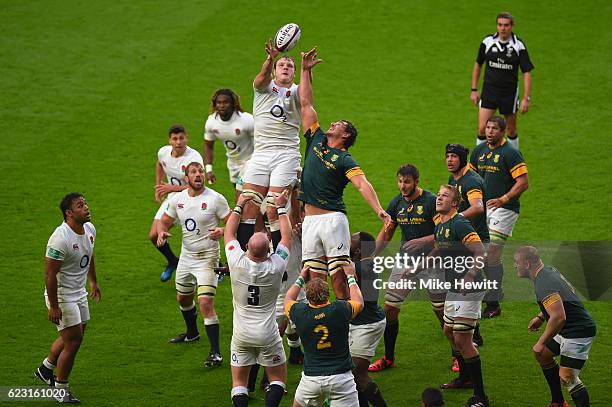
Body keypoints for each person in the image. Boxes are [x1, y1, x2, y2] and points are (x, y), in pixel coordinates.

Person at [298, 47, 391, 301]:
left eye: (338, 124)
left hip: (332, 220)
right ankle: (321, 323)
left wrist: (379, 210)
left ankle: (345, 325)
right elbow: (305, 103)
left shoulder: (344, 159)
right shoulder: (315, 139)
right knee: (314, 279)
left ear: (346, 135)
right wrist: (305, 71)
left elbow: (362, 184)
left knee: (338, 277)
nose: (332, 123)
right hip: (310, 221)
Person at [156, 162, 230, 367]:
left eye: (201, 172)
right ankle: (192, 333)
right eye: (194, 172)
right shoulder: (178, 199)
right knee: (183, 298)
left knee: (206, 303)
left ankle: (215, 353)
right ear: (186, 178)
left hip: (208, 258)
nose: (199, 175)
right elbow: (164, 220)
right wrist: (162, 231)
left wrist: (222, 231)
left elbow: (232, 220)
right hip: (186, 258)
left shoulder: (215, 199)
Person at [223, 190, 292, 407]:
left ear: (246, 248)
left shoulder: (236, 261)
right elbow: (287, 237)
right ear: (268, 251)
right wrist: (281, 207)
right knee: (278, 379)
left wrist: (239, 205)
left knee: (239, 383)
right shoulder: (276, 265)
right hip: (267, 333)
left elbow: (229, 233)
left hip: (241, 334)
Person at [369, 164, 440, 372]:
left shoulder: (431, 202)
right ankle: (388, 358)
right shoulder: (397, 203)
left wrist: (422, 241)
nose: (403, 186)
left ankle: (459, 355)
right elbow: (387, 231)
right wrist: (371, 255)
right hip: (405, 262)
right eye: (400, 181)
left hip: (432, 262)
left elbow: (446, 234)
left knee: (441, 311)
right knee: (390, 309)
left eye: (407, 182)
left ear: (417, 181)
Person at [34, 193, 101, 404]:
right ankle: (60, 387)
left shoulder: (90, 229)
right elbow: (49, 274)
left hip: (78, 291)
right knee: (74, 340)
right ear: (69, 213)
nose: (87, 207)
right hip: (62, 295)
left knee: (75, 334)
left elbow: (89, 255)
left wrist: (93, 282)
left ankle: (46, 368)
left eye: (85, 203)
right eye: (81, 206)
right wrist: (53, 306)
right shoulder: (60, 238)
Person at [238, 39, 302, 253]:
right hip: (261, 154)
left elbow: (307, 99)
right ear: (274, 71)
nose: (285, 67)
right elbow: (260, 78)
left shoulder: (297, 91)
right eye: (281, 65)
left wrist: (308, 71)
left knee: (275, 208)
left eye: (290, 66)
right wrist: (270, 58)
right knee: (248, 205)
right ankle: (242, 256)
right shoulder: (264, 88)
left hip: (286, 155)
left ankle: (280, 258)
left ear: (294, 73)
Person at [515, 246, 596, 407]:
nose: (514, 266)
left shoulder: (544, 282)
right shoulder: (548, 271)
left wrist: (541, 342)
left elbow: (559, 317)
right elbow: (562, 297)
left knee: (567, 376)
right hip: (567, 328)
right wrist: (541, 316)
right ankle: (558, 402)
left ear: (528, 264)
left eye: (517, 262)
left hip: (578, 331)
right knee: (543, 355)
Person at [433, 185, 488, 407]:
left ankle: (481, 396)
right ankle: (465, 378)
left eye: (444, 196)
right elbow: (439, 249)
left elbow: (481, 251)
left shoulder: (460, 224)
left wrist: (470, 274)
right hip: (453, 287)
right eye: (438, 194)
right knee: (449, 331)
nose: (439, 198)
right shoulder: (441, 223)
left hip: (470, 288)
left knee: (463, 339)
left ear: (455, 203)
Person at [469, 116, 528, 317]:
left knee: (491, 252)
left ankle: (493, 302)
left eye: (495, 128)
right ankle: (494, 291)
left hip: (505, 209)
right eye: (488, 127)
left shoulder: (511, 153)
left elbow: (523, 182)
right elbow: (471, 180)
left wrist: (504, 199)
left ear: (503, 132)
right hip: (481, 208)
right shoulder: (479, 151)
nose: (490, 131)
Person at [284, 263, 364, 407]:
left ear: (307, 297)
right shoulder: (339, 309)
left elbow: (288, 299)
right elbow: (359, 302)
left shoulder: (299, 312)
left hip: (311, 380)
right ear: (328, 294)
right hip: (341, 379)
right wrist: (351, 277)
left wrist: (301, 277)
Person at [446, 143, 487, 357]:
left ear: (462, 159)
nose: (449, 160)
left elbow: (478, 206)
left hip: (474, 243)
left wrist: (457, 218)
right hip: (464, 241)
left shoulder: (471, 180)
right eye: (448, 156)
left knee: (468, 286)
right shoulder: (456, 179)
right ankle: (474, 333)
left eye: (454, 157)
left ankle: (471, 336)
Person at [471, 11, 534, 148]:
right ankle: (479, 163)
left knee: (510, 130)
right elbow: (478, 65)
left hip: (509, 93)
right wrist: (474, 90)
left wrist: (526, 98)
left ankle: (514, 163)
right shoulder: (487, 42)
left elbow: (526, 72)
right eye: (500, 25)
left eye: (506, 25)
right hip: (489, 92)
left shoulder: (518, 46)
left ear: (512, 26)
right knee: (482, 129)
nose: (502, 28)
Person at [149, 124, 204, 282]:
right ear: (169, 140)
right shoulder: (163, 152)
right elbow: (160, 163)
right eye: (175, 138)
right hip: (172, 198)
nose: (179, 142)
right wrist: (158, 186)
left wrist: (171, 187)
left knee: (198, 235)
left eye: (182, 138)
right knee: (154, 236)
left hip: (190, 199)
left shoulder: (193, 159)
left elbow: (198, 184)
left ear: (187, 138)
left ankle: (215, 265)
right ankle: (173, 261)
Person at [349, 232, 388, 406]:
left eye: (350, 241)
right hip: (359, 322)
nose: (345, 242)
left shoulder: (359, 267)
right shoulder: (365, 263)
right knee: (351, 373)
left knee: (358, 374)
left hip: (367, 325)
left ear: (357, 251)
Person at [203, 89, 254, 200]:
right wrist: (209, 169)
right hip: (233, 164)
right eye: (219, 103)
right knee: (243, 200)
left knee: (242, 199)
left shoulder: (247, 120)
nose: (222, 105)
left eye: (225, 102)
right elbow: (208, 145)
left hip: (251, 162)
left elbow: (260, 142)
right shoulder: (212, 122)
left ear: (233, 103)